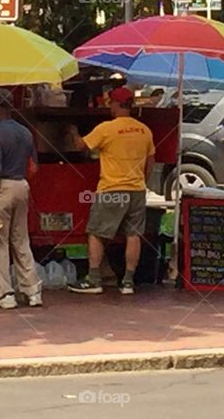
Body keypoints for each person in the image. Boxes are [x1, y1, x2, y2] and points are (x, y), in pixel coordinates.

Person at [66, 86, 156, 295]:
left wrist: (73, 132)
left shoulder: (107, 128)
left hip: (112, 189)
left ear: (115, 104)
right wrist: (143, 180)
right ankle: (127, 282)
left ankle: (94, 279)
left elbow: (81, 146)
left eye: (111, 103)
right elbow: (151, 160)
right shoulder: (144, 130)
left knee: (96, 233)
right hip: (137, 190)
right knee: (133, 235)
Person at [0, 90, 42, 310]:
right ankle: (33, 291)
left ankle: (5, 293)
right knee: (21, 239)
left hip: (2, 187)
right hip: (23, 185)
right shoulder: (26, 132)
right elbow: (34, 164)